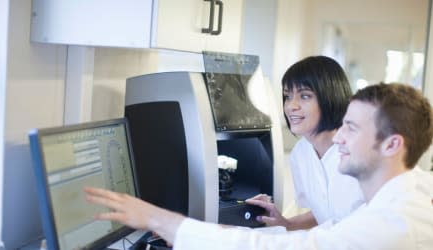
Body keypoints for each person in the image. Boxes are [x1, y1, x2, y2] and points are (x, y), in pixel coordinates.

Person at [85, 83, 433, 249]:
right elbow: (320, 237)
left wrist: (155, 218)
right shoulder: (399, 199)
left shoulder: (393, 226)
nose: (338, 138)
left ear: (392, 144)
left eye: (352, 128)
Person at [247, 55, 364, 230]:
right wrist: (285, 223)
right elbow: (323, 213)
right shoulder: (300, 154)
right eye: (287, 96)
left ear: (330, 98)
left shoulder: (361, 152)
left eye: (305, 96)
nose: (291, 106)